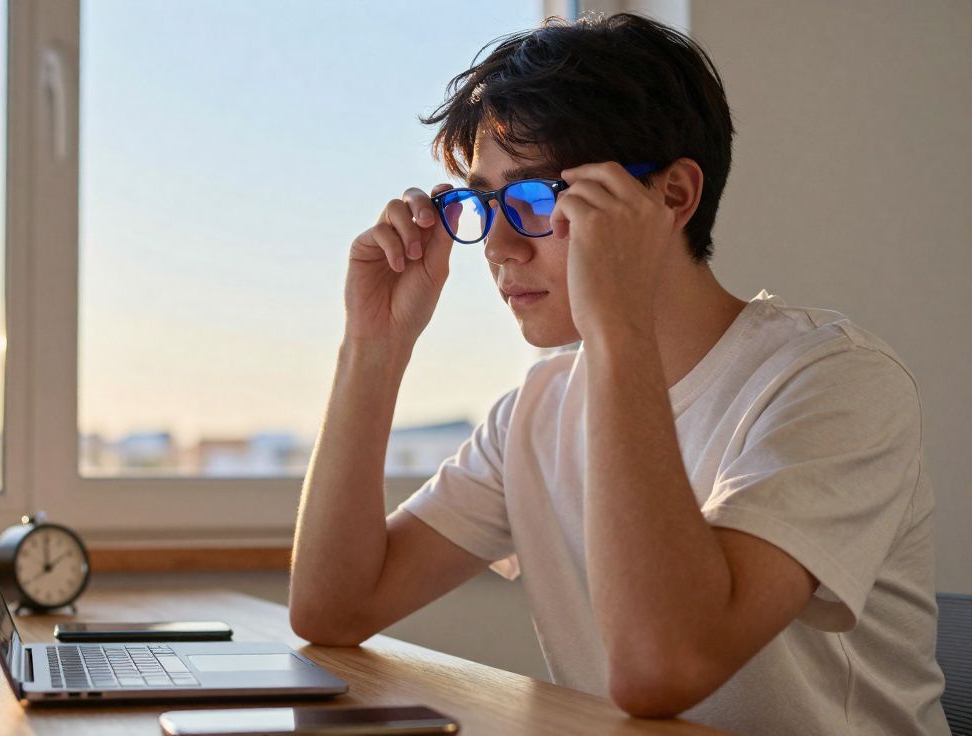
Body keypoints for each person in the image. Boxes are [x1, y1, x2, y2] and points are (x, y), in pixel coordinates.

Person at [287, 12, 950, 735]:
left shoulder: (837, 382)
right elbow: (333, 609)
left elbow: (663, 667)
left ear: (673, 197)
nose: (499, 246)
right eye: (481, 202)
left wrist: (619, 326)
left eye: (538, 199)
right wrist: (373, 346)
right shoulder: (537, 410)